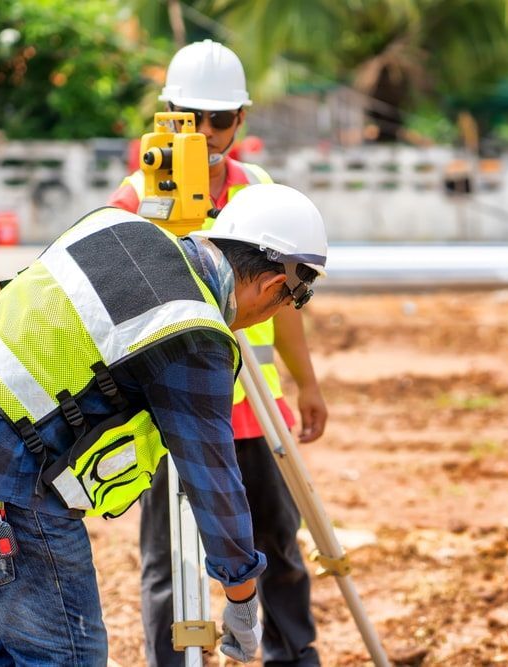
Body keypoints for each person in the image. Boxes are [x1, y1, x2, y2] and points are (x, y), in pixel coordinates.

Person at [0, 184, 329, 666]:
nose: (282, 310)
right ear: (273, 284)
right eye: (293, 300)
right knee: (69, 656)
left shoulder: (117, 225)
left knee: (7, 650)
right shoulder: (194, 332)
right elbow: (213, 477)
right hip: (2, 481)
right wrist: (241, 596)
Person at [108, 40, 326, 667]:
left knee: (278, 546)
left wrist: (307, 384)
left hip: (254, 412)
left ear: (241, 121)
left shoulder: (260, 194)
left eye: (220, 119)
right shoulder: (135, 199)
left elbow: (285, 303)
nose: (204, 134)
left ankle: (291, 655)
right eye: (188, 117)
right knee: (167, 564)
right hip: (168, 416)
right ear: (166, 114)